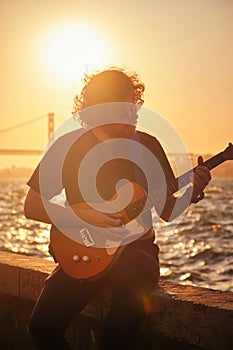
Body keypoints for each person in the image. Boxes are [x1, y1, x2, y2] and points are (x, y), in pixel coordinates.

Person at [24, 67, 211, 350]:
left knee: (122, 322)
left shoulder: (147, 145)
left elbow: (167, 211)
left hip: (137, 252)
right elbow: (32, 206)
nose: (134, 112)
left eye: (134, 103)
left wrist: (194, 191)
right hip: (83, 252)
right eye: (124, 104)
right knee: (42, 326)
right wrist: (80, 215)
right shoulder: (67, 147)